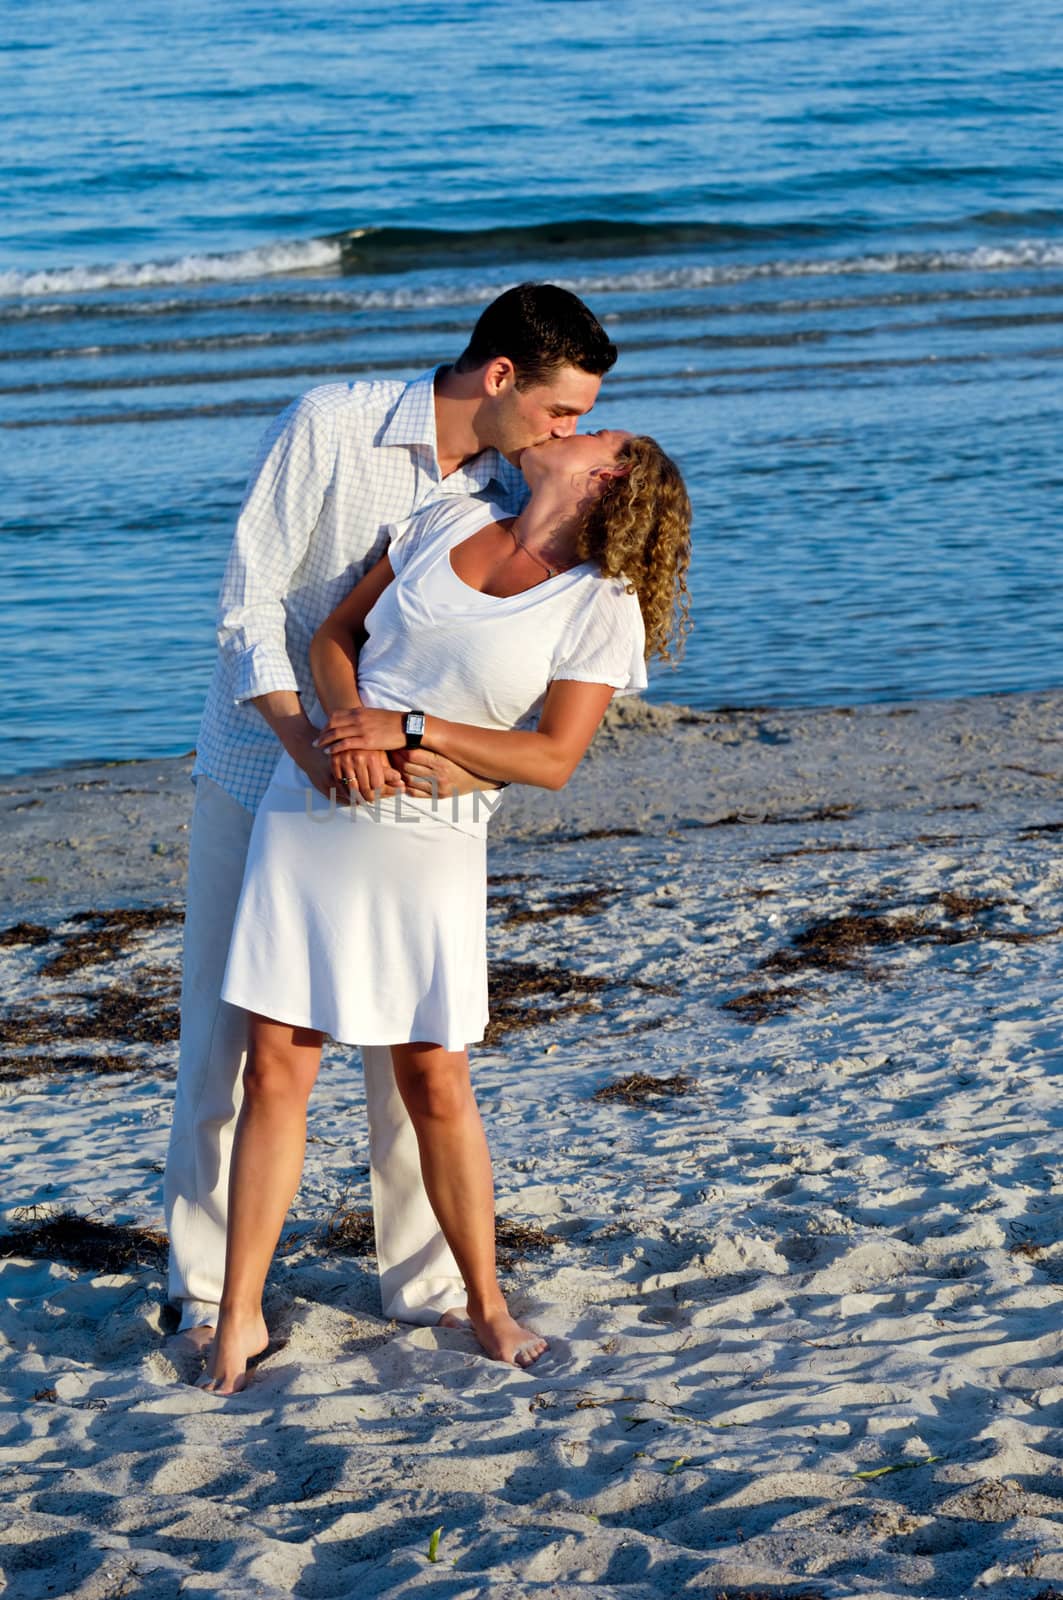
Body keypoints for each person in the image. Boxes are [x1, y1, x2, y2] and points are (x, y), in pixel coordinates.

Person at [164, 284, 618, 1349]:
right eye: (561, 412)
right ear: (501, 376)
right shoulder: (331, 422)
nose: (567, 433)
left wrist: (442, 771)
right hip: (260, 768)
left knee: (414, 1057)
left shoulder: (508, 486)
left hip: (420, 805)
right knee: (228, 1050)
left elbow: (503, 681)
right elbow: (250, 605)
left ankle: (426, 1289)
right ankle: (203, 1291)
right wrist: (313, 749)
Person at [197, 425, 692, 1393]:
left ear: (611, 476)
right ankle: (240, 1310)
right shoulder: (446, 517)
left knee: (435, 1080)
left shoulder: (601, 600)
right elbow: (334, 639)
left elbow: (551, 758)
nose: (567, 428)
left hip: (431, 834)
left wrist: (411, 729)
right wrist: (347, 736)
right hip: (314, 809)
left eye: (594, 431)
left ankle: (486, 1303)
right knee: (273, 1072)